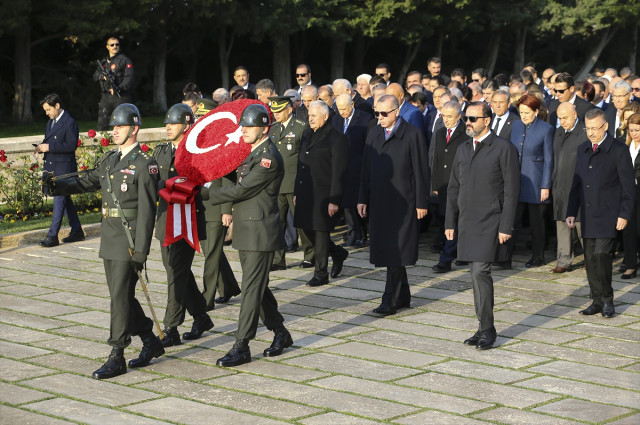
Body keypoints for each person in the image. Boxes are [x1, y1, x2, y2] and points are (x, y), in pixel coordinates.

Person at [47, 103, 164, 379]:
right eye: (113, 127)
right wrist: (57, 185)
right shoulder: (110, 160)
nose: (114, 131)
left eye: (120, 127)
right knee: (120, 296)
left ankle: (117, 354)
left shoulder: (145, 164)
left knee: (119, 299)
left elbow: (148, 211)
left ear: (134, 129)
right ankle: (150, 340)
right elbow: (87, 181)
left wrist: (142, 250)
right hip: (110, 237)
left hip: (128, 239)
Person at [200, 103, 293, 367]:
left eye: (249, 126)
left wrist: (205, 194)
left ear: (264, 129)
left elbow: (243, 190)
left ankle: (242, 345)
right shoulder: (251, 152)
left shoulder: (268, 158)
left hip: (260, 233)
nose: (244, 130)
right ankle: (281, 333)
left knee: (251, 289)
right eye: (243, 125)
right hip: (247, 229)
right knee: (258, 287)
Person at [445, 101, 520, 350]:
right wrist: (450, 222)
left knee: (480, 272)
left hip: (492, 220)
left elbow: (511, 191)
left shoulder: (503, 148)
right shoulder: (463, 148)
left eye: (473, 118)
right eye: (466, 118)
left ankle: (488, 329)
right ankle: (482, 326)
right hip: (468, 221)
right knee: (474, 275)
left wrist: (506, 226)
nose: (468, 122)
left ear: (487, 120)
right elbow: (454, 188)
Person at [358, 94, 430, 315]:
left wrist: (421, 202)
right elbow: (365, 169)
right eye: (376, 112)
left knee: (396, 251)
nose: (379, 117)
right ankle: (404, 295)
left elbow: (421, 170)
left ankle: (390, 298)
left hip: (403, 202)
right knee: (388, 249)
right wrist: (362, 197)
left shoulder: (412, 134)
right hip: (380, 201)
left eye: (384, 113)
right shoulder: (374, 133)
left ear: (396, 112)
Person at [154, 104, 214, 347]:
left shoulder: (196, 152)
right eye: (167, 122)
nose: (168, 127)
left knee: (176, 274)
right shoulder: (161, 152)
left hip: (187, 221)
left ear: (187, 125)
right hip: (165, 220)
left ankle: (171, 328)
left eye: (174, 123)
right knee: (175, 270)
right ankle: (200, 316)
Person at [567, 108, 635, 318]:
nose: (591, 133)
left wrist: (624, 214)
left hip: (609, 213)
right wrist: (571, 210)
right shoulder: (583, 148)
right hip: (587, 213)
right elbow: (576, 182)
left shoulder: (618, 150)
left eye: (595, 128)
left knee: (602, 255)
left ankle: (607, 299)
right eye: (588, 129)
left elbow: (628, 187)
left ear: (605, 126)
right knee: (590, 257)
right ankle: (596, 299)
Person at [293, 101, 349, 287]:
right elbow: (300, 165)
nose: (310, 119)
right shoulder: (307, 134)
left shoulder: (336, 138)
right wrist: (296, 191)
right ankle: (338, 253)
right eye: (309, 116)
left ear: (325, 117)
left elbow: (339, 172)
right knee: (307, 229)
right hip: (305, 192)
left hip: (323, 195)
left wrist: (334, 200)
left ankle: (321, 273)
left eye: (314, 116)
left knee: (321, 232)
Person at [502, 94, 554, 268]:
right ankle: (504, 257)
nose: (523, 116)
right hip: (516, 181)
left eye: (527, 112)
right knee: (512, 220)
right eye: (521, 112)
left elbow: (549, 160)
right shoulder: (516, 126)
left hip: (536, 183)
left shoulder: (546, 129)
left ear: (536, 111)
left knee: (536, 223)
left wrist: (546, 185)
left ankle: (538, 257)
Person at [267, 96, 315, 271]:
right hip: (276, 184)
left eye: (279, 111)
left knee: (302, 222)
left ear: (289, 109)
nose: (276, 114)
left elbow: (305, 159)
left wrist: (303, 185)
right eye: (274, 112)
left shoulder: (302, 128)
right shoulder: (272, 129)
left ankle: (310, 255)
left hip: (295, 184)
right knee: (277, 223)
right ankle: (278, 259)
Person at [37, 94, 84, 248]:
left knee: (59, 199)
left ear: (57, 106)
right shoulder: (50, 122)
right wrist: (41, 146)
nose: (46, 113)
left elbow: (72, 146)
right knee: (65, 200)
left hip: (64, 167)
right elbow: (49, 140)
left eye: (48, 109)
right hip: (52, 166)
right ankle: (77, 230)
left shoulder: (69, 122)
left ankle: (52, 235)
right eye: (45, 110)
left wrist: (50, 147)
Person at [431, 101, 469, 272]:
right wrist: (436, 184)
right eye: (443, 116)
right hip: (445, 185)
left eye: (449, 116)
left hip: (461, 184)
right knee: (444, 217)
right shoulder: (439, 133)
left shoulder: (466, 134)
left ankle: (446, 257)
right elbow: (437, 160)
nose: (446, 120)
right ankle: (459, 253)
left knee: (456, 220)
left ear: (459, 117)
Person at [550, 102, 587, 273]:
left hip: (578, 184)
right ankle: (564, 260)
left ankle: (590, 257)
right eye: (559, 118)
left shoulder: (584, 132)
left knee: (581, 225)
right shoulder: (558, 132)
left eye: (565, 117)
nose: (562, 121)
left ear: (574, 113)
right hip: (560, 185)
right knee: (562, 223)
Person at [333, 93, 371, 247]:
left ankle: (363, 234)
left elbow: (369, 145)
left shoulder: (365, 119)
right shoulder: (335, 119)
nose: (342, 112)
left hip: (360, 167)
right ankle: (352, 235)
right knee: (347, 204)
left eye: (344, 109)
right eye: (339, 109)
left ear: (352, 105)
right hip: (343, 168)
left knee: (360, 203)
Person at [93, 37, 134, 131]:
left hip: (121, 96)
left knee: (123, 124)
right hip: (106, 97)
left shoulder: (124, 60)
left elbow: (129, 78)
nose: (115, 46)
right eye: (112, 45)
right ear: (107, 47)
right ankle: (103, 144)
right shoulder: (103, 63)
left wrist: (118, 88)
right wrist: (102, 77)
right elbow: (95, 76)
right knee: (102, 125)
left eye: (117, 44)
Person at [620, 113, 640, 279]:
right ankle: (631, 264)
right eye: (632, 130)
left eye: (638, 130)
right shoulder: (625, 146)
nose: (634, 133)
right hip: (627, 194)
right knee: (628, 229)